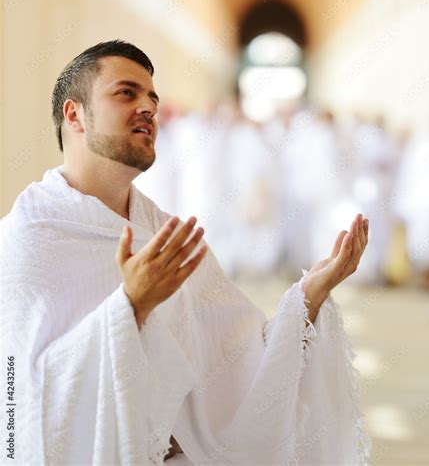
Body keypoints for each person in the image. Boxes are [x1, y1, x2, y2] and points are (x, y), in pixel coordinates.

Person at [0, 40, 371, 465]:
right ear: (74, 115)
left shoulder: (162, 232)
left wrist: (309, 295)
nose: (148, 108)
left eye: (152, 98)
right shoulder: (30, 237)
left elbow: (244, 358)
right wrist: (130, 310)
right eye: (126, 93)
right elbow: (20, 405)